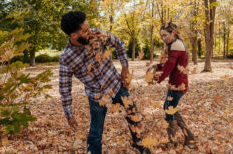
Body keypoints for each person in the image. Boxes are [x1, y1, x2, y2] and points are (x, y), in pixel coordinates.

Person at [59, 11, 151, 154]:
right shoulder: (67, 58)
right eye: (85, 31)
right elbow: (65, 88)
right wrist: (69, 115)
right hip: (97, 96)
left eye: (88, 27)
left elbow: (119, 43)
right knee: (96, 132)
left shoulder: (98, 35)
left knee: (133, 114)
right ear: (73, 35)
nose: (89, 32)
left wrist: (125, 68)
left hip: (115, 85)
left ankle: (138, 143)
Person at [148, 22, 195, 147]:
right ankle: (183, 137)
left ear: (173, 32)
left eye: (165, 35)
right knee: (169, 108)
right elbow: (168, 64)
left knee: (169, 108)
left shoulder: (176, 45)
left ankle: (181, 138)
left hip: (178, 84)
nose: (163, 38)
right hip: (175, 83)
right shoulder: (174, 44)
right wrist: (156, 66)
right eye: (161, 36)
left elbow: (169, 66)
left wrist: (156, 79)